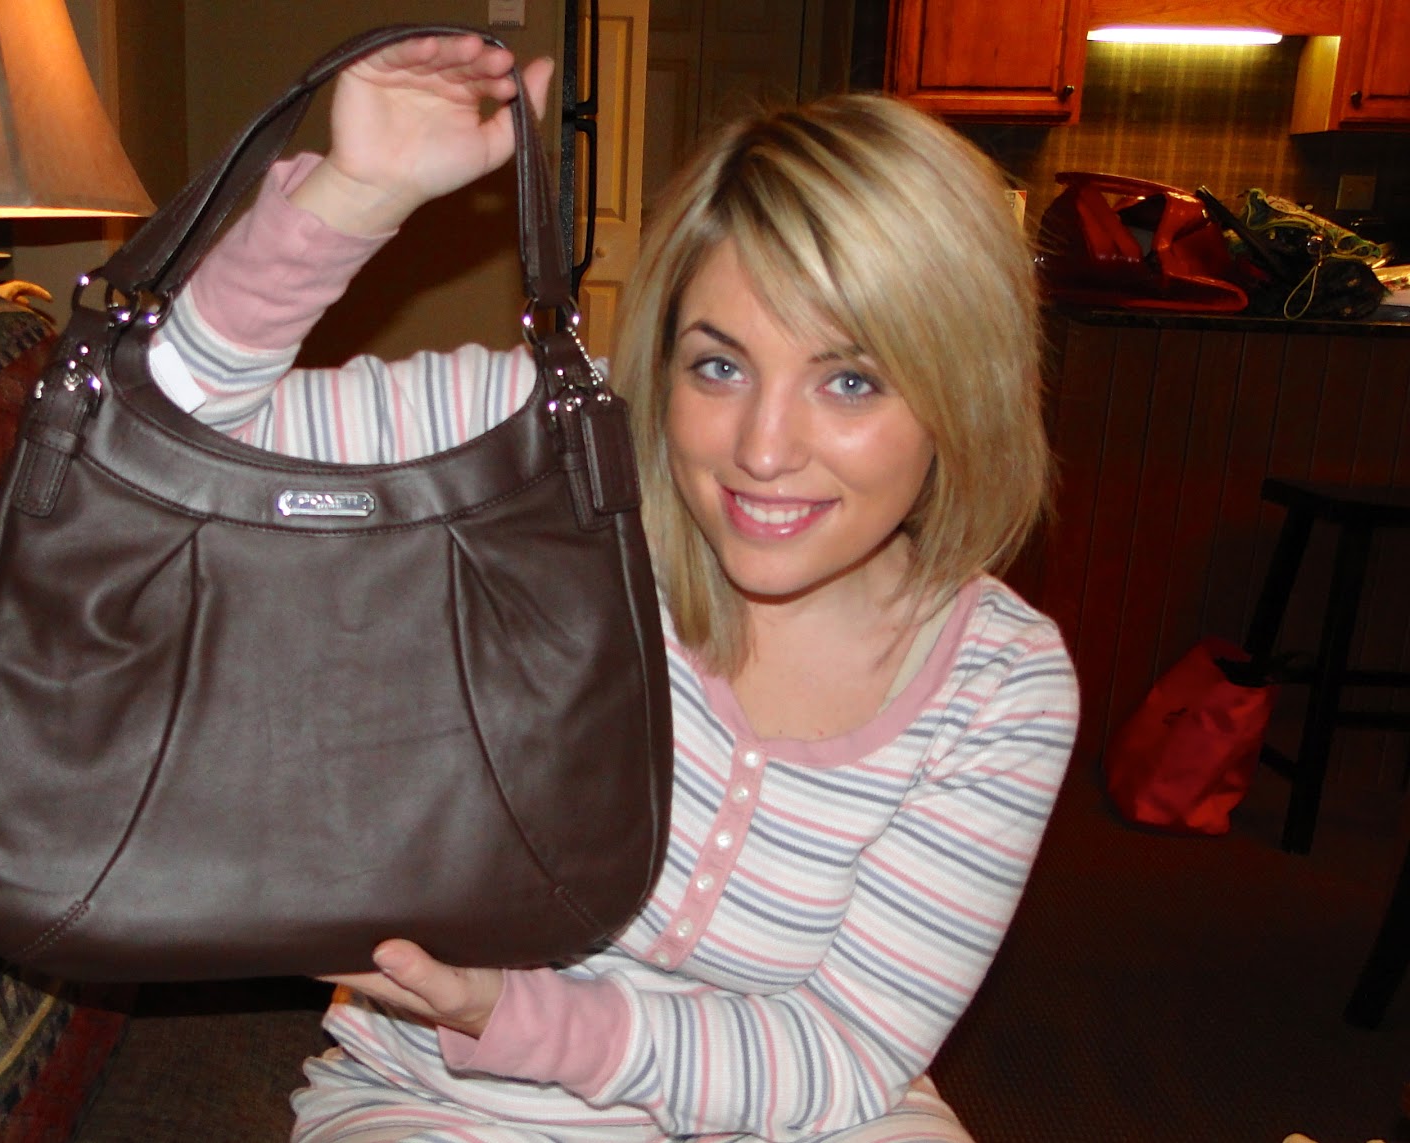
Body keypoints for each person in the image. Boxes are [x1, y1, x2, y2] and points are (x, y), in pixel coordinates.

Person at [155, 33, 1079, 1143]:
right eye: (719, 365)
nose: (763, 448)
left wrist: (515, 1012)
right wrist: (354, 196)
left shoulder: (1000, 683)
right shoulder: (540, 461)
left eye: (849, 380)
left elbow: (842, 1049)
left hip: (798, 1113)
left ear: (961, 390)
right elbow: (167, 432)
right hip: (449, 1105)